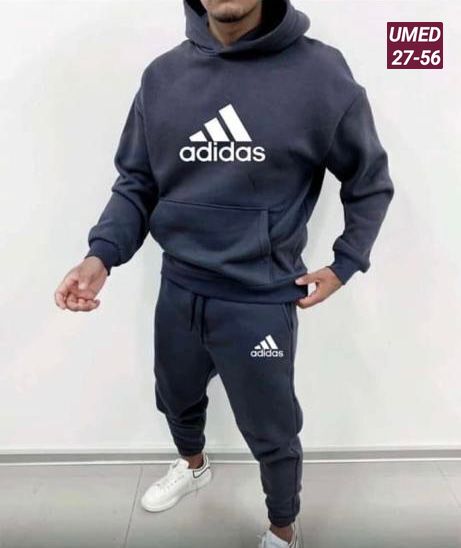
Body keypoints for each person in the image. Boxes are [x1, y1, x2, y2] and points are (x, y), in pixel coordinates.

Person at [54, 0, 394, 546]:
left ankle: (282, 528)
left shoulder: (320, 74)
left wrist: (346, 262)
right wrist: (101, 256)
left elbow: (369, 179)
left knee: (272, 430)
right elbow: (137, 184)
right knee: (175, 397)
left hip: (259, 299)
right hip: (179, 288)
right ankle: (193, 467)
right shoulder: (163, 77)